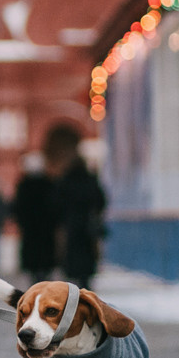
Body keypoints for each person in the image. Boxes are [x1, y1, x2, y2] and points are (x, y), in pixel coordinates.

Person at [46, 123, 108, 289]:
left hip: (71, 226)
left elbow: (56, 204)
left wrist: (60, 219)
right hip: (87, 226)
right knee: (86, 263)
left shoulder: (65, 181)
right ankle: (86, 287)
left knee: (72, 260)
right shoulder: (90, 180)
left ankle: (75, 291)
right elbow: (101, 200)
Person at [11, 151, 57, 280]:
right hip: (46, 232)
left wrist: (22, 222)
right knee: (45, 265)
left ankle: (36, 287)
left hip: (30, 232)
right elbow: (56, 207)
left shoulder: (23, 186)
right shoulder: (49, 185)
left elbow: (17, 208)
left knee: (33, 267)